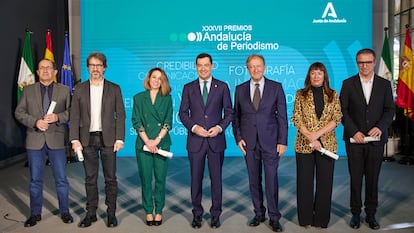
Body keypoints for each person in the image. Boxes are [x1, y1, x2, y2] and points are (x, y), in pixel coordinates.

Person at [340, 48, 394, 230]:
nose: (364, 66)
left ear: (374, 62)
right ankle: (355, 213)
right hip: (354, 141)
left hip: (376, 141)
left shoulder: (384, 84)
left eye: (368, 62)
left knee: (372, 179)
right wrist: (354, 131)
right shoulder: (347, 84)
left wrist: (380, 127)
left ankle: (371, 214)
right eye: (361, 62)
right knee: (355, 179)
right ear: (357, 63)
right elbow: (343, 111)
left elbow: (389, 110)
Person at [69, 52, 126, 228]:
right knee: (90, 179)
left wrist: (119, 138)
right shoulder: (79, 89)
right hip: (87, 139)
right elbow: (74, 115)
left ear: (104, 68)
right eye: (92, 65)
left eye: (99, 65)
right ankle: (91, 213)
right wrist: (74, 139)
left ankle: (111, 214)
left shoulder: (114, 88)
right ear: (88, 68)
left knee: (110, 178)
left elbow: (121, 115)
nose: (95, 69)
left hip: (108, 139)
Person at [15, 58, 73, 227]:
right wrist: (35, 122)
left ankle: (65, 211)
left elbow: (72, 111)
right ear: (38, 72)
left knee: (61, 179)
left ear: (55, 72)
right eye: (42, 68)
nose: (45, 70)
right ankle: (35, 214)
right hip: (35, 141)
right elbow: (19, 112)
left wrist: (58, 117)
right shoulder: (27, 90)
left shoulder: (64, 90)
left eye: (48, 68)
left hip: (56, 140)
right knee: (35, 180)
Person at [232, 54, 288, 232]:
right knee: (253, 181)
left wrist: (283, 141)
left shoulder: (276, 87)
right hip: (249, 143)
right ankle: (258, 213)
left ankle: (274, 217)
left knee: (271, 180)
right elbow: (236, 117)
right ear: (247, 69)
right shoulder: (240, 89)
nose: (256, 69)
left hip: (271, 142)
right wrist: (238, 138)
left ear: (264, 67)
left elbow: (283, 117)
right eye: (252, 66)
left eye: (259, 66)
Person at [179, 53, 233, 229]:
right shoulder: (188, 87)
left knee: (216, 179)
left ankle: (216, 214)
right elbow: (182, 113)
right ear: (196, 67)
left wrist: (219, 127)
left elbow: (229, 112)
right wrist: (194, 127)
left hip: (216, 140)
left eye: (206, 65)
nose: (203, 68)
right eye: (200, 65)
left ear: (212, 66)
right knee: (196, 179)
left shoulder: (223, 86)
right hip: (195, 141)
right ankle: (197, 214)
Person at [291, 62, 342, 229]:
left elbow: (337, 118)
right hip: (304, 145)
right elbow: (296, 118)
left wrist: (317, 137)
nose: (316, 76)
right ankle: (305, 219)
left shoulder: (333, 94)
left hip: (326, 146)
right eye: (313, 73)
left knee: (325, 183)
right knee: (304, 184)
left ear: (324, 76)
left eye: (319, 73)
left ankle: (321, 220)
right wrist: (310, 138)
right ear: (309, 76)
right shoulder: (301, 94)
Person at [132, 68, 173, 226]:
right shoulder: (138, 98)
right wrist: (147, 141)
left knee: (161, 179)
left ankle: (159, 210)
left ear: (163, 82)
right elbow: (136, 121)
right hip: (143, 144)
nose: (156, 80)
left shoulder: (167, 98)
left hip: (161, 143)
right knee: (146, 179)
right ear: (148, 79)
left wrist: (156, 140)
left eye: (160, 78)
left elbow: (168, 121)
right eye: (154, 77)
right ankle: (149, 211)